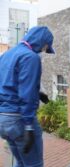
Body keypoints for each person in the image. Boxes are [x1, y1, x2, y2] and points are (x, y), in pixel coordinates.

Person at [0, 26, 55, 167]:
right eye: (46, 48)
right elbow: (27, 93)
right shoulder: (31, 57)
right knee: (34, 164)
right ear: (43, 42)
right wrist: (29, 126)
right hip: (19, 119)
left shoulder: (7, 54)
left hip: (3, 119)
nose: (44, 51)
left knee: (21, 162)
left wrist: (38, 93)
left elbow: (9, 83)